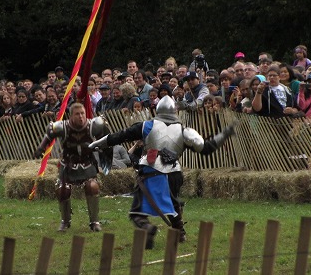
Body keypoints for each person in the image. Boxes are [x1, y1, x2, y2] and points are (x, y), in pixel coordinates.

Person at [88, 95, 238, 249]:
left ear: (158, 110)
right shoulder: (184, 130)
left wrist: (94, 144)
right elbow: (206, 148)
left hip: (151, 170)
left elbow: (118, 136)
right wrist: (225, 134)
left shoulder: (147, 126)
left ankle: (148, 229)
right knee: (172, 203)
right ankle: (180, 232)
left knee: (137, 212)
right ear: (174, 111)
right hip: (174, 173)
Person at [33, 103, 108, 232]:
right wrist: (41, 148)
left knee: (92, 186)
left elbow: (104, 139)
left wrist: (102, 150)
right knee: (62, 189)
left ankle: (94, 221)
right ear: (71, 115)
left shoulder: (94, 125)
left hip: (87, 162)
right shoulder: (62, 127)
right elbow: (49, 135)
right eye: (77, 114)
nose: (81, 117)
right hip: (68, 164)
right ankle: (65, 221)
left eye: (83, 113)